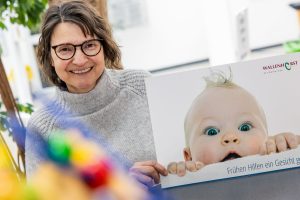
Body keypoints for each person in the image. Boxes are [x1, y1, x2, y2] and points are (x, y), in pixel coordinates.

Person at [25, 0, 167, 187]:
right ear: (50, 57)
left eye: (90, 45)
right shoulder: (42, 127)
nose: (80, 59)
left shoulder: (143, 86)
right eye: (65, 49)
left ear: (104, 46)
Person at [167, 71, 300, 176]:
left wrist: (288, 150)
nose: (230, 137)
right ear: (189, 157)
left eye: (245, 127)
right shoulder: (189, 184)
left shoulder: (277, 164)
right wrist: (179, 179)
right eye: (211, 131)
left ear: (267, 139)